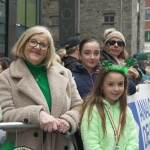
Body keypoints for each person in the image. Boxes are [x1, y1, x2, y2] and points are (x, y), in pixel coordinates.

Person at [0, 26, 83, 150]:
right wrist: (36, 115)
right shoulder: (6, 77)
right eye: (33, 41)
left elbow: (78, 106)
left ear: (49, 50)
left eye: (43, 44)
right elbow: (6, 115)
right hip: (23, 146)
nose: (37, 47)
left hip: (60, 144)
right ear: (23, 43)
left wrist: (68, 120)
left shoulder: (65, 73)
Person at [80, 64, 139, 150]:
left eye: (120, 84)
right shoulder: (93, 110)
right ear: (101, 85)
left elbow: (133, 139)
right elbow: (91, 143)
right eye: (110, 84)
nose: (116, 89)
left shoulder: (126, 110)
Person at [72, 38, 100, 150]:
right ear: (80, 54)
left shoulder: (104, 73)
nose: (92, 57)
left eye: (96, 53)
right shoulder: (70, 76)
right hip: (81, 130)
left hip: (103, 127)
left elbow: (129, 88)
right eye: (87, 53)